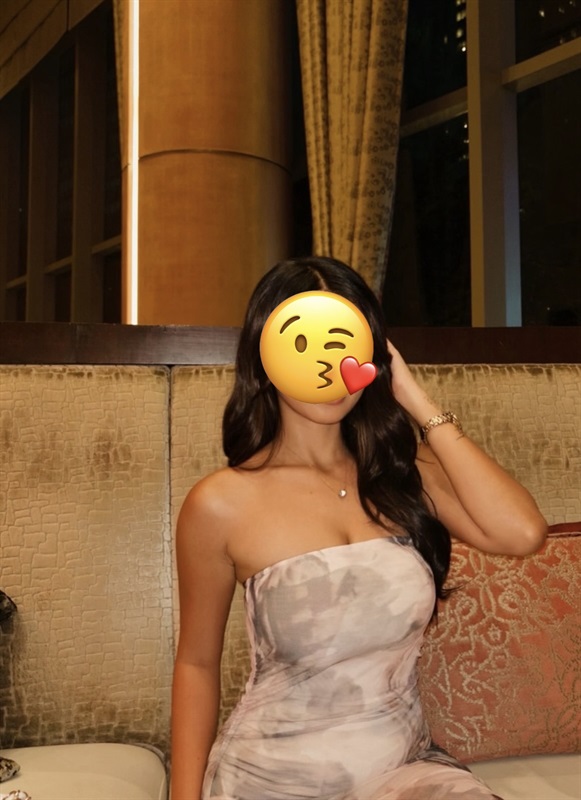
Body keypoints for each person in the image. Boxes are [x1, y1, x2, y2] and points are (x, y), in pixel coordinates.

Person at [171, 256, 547, 800]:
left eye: (344, 344)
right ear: (267, 356)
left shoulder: (406, 473)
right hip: (271, 779)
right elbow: (197, 664)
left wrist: (413, 395)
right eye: (305, 346)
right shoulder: (220, 503)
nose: (329, 368)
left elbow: (522, 533)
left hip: (401, 773)